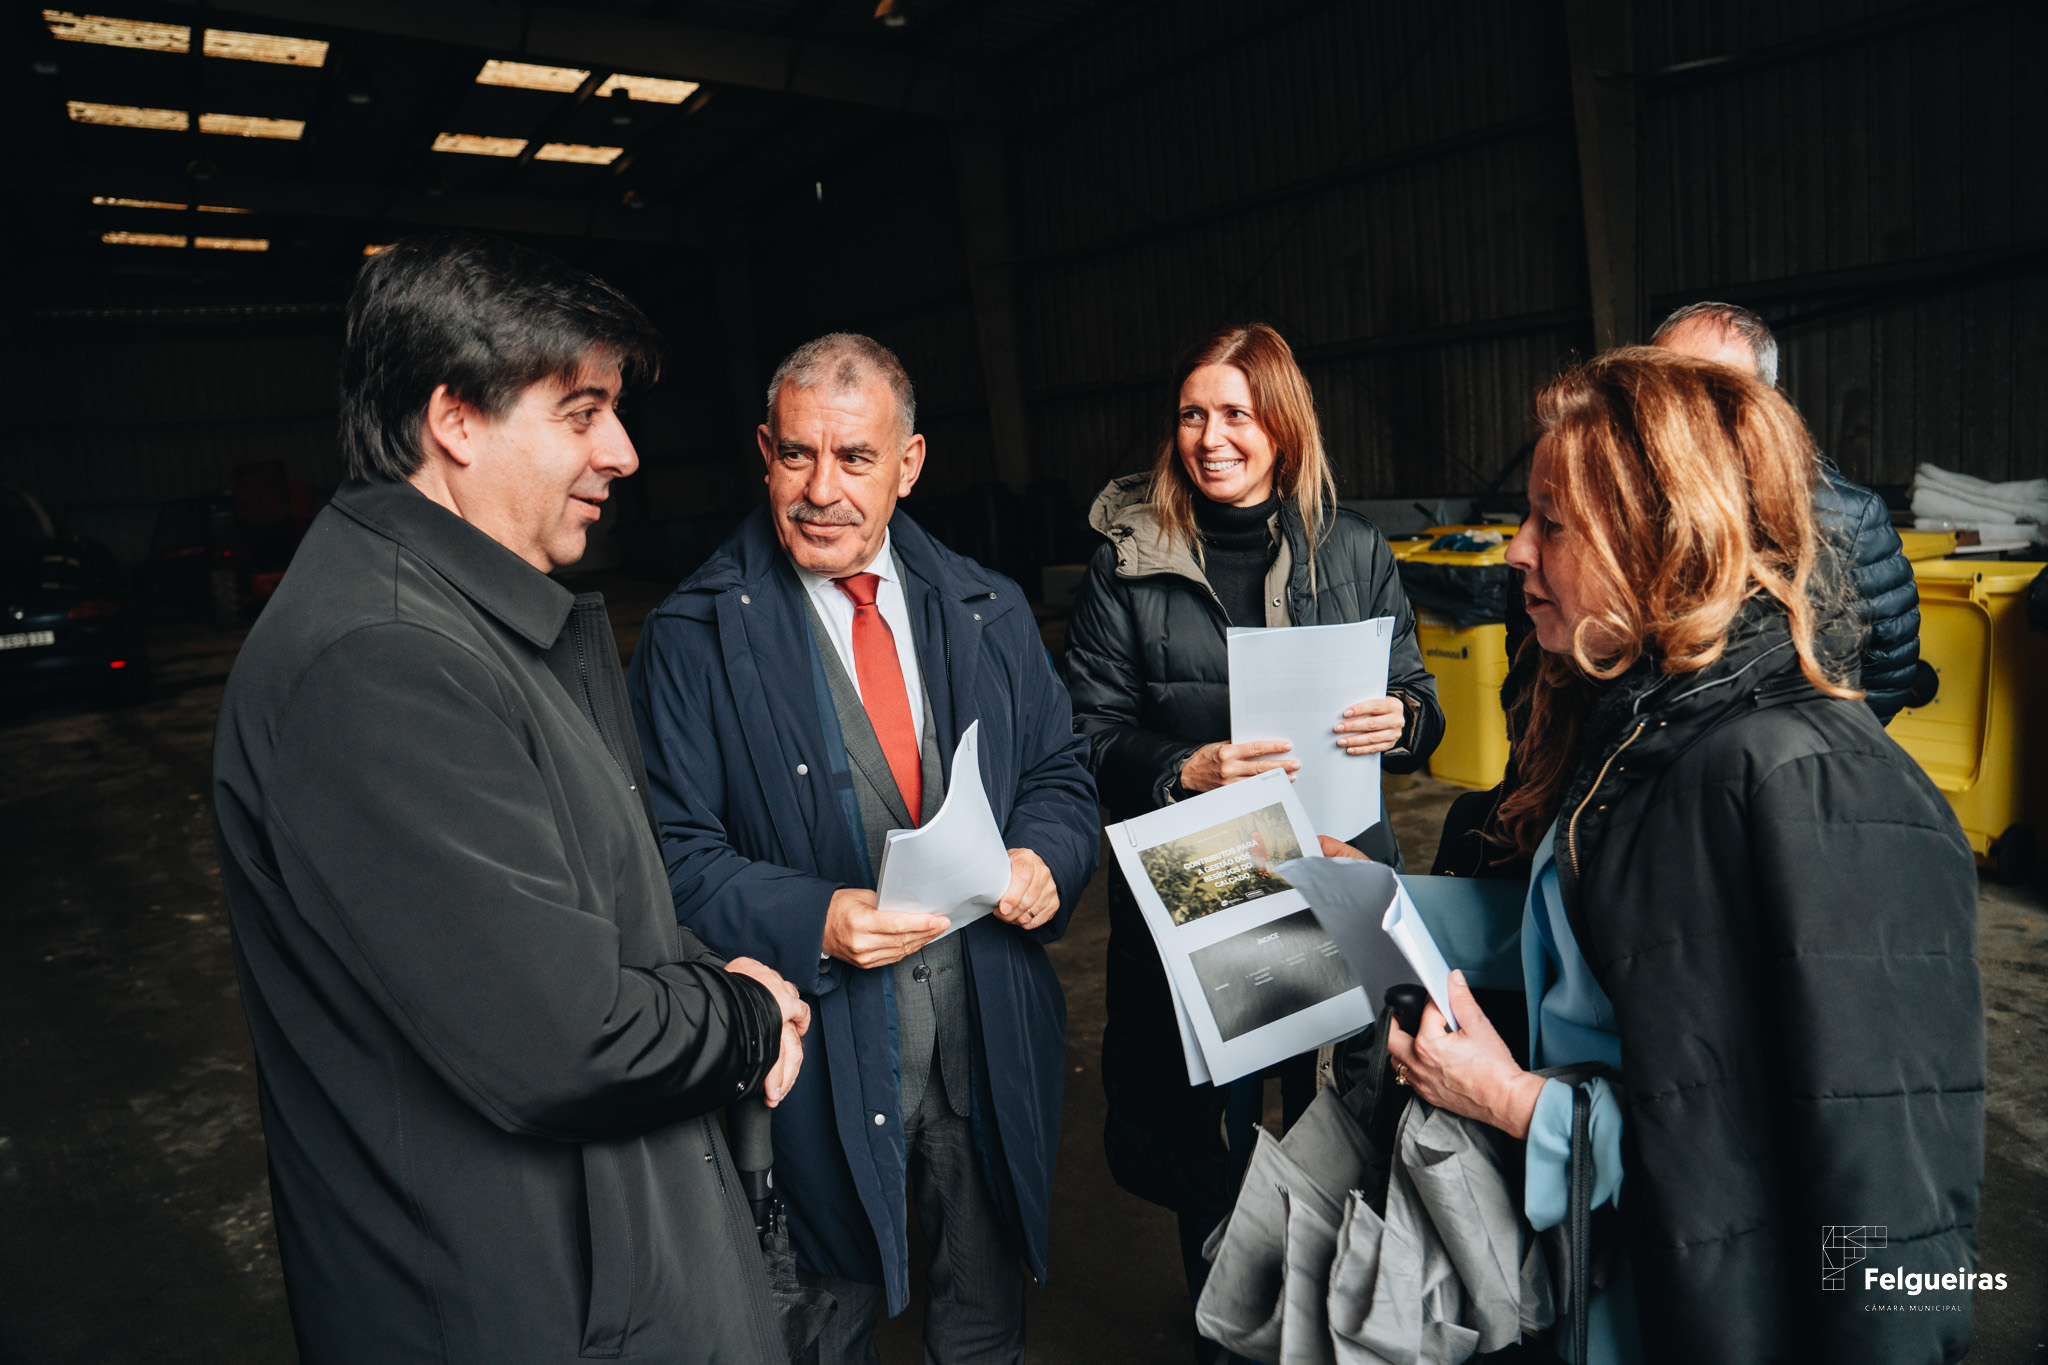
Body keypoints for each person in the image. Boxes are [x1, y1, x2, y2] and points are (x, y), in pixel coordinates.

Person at [210, 233, 810, 1363]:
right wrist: (738, 1019)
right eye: (582, 412)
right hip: (519, 1308)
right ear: (455, 421)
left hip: (592, 1274)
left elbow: (581, 904)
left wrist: (705, 972)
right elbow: (565, 1039)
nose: (624, 451)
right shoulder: (378, 664)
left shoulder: (471, 625)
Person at [1379, 347, 1982, 1362]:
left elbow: (1884, 1212)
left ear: (1658, 537)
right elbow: (1593, 940)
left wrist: (1515, 1102)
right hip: (1613, 1278)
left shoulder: (1814, 782)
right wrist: (1371, 898)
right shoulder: (1635, 722)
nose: (1514, 553)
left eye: (1551, 524)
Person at [627, 333, 1099, 1365]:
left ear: (910, 464)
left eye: (854, 460)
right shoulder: (690, 638)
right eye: (796, 455)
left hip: (985, 1027)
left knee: (981, 1314)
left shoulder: (989, 608)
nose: (820, 491)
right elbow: (668, 854)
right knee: (821, 1322)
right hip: (821, 1055)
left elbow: (1062, 774)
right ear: (763, 449)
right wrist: (814, 920)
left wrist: (1042, 858)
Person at [1060, 323, 1445, 1357]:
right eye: (1192, 414)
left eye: (1235, 414)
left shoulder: (1352, 548)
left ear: (1281, 427)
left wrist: (1401, 722)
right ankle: (1228, 1330)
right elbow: (1082, 734)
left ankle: (1332, 1330)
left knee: (1338, 1122)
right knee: (1216, 1145)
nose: (1210, 436)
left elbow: (1419, 699)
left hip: (1330, 870)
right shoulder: (1126, 565)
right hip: (1205, 891)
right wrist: (1182, 769)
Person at [1652, 300, 1920, 723]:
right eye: (1667, 381)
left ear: (1763, 400)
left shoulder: (1846, 517)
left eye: (1715, 387)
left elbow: (1884, 676)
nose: (1688, 404)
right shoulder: (1607, 498)